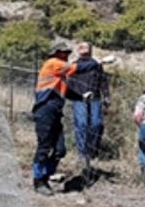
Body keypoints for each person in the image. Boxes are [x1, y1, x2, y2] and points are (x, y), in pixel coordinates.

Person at [31, 41, 99, 196]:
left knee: (60, 149)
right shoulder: (53, 63)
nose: (67, 55)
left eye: (68, 53)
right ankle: (38, 181)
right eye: (64, 52)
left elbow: (67, 92)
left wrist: (81, 97)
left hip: (54, 111)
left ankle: (45, 176)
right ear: (55, 53)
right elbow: (79, 68)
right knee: (44, 146)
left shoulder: (58, 74)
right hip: (45, 109)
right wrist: (99, 62)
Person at [67, 42, 111, 181]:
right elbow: (68, 82)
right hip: (79, 98)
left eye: (85, 46)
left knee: (97, 124)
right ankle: (82, 154)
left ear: (91, 50)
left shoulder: (97, 65)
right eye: (80, 47)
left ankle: (92, 150)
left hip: (95, 98)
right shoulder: (74, 64)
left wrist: (107, 96)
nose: (82, 49)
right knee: (81, 124)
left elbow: (103, 81)